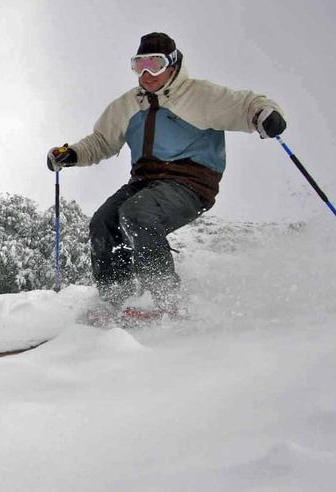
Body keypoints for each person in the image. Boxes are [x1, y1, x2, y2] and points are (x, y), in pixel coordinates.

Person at [46, 32, 286, 317]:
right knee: (103, 221)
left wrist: (263, 114)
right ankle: (114, 299)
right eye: (139, 65)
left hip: (190, 182)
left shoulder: (199, 95)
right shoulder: (128, 104)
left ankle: (164, 297)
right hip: (145, 182)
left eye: (155, 64)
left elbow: (245, 104)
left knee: (137, 212)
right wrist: (71, 153)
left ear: (172, 65)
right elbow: (101, 141)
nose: (147, 74)